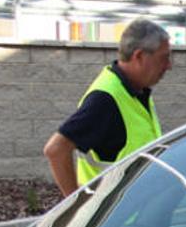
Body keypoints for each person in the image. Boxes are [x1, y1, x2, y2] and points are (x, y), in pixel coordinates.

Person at [43, 19, 172, 197]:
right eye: (163, 58)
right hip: (118, 222)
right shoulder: (105, 99)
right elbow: (56, 150)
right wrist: (76, 205)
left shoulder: (136, 92)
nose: (168, 66)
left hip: (137, 216)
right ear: (139, 56)